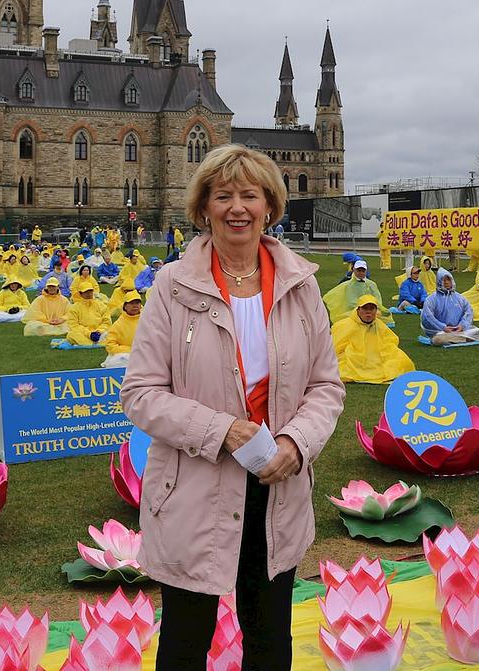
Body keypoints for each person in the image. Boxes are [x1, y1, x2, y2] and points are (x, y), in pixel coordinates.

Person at [121, 144, 345, 671]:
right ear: (204, 208)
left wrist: (295, 443)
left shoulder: (301, 286)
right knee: (184, 641)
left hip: (278, 486)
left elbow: (326, 386)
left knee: (269, 641)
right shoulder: (172, 288)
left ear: (270, 205)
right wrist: (222, 431)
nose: (237, 207)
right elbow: (141, 392)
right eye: (224, 195)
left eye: (251, 194)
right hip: (195, 492)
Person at [331, 295, 415, 384]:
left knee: (403, 360)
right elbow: (334, 347)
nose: (368, 312)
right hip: (355, 359)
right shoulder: (344, 325)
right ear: (358, 310)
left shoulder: (379, 324)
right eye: (365, 309)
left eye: (371, 309)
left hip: (376, 357)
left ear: (376, 311)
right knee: (341, 367)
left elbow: (391, 340)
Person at [420, 268, 479, 345]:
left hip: (459, 329)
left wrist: (462, 325)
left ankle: (456, 338)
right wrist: (443, 327)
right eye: (444, 280)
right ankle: (462, 338)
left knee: (477, 333)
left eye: (448, 280)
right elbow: (427, 317)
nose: (447, 282)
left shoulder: (460, 298)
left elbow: (468, 312)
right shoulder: (431, 299)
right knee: (438, 340)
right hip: (440, 331)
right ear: (439, 282)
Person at [322, 260, 394, 327]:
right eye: (358, 270)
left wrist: (374, 307)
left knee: (380, 314)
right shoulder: (349, 285)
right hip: (355, 310)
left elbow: (377, 299)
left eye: (363, 271)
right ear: (354, 270)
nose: (361, 273)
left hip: (370, 308)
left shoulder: (371, 284)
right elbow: (351, 302)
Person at [65, 278, 112, 346]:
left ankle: (90, 343)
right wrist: (89, 334)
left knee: (114, 332)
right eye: (86, 292)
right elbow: (74, 325)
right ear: (80, 293)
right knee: (71, 335)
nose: (89, 293)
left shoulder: (101, 305)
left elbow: (107, 322)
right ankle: (96, 342)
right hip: (83, 334)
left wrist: (99, 331)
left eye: (90, 291)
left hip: (101, 333)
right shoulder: (75, 307)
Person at [102, 291, 142, 368]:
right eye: (131, 303)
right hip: (126, 354)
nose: (135, 306)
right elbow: (110, 345)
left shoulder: (147, 320)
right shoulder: (118, 324)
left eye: (137, 303)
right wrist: (131, 350)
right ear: (125, 306)